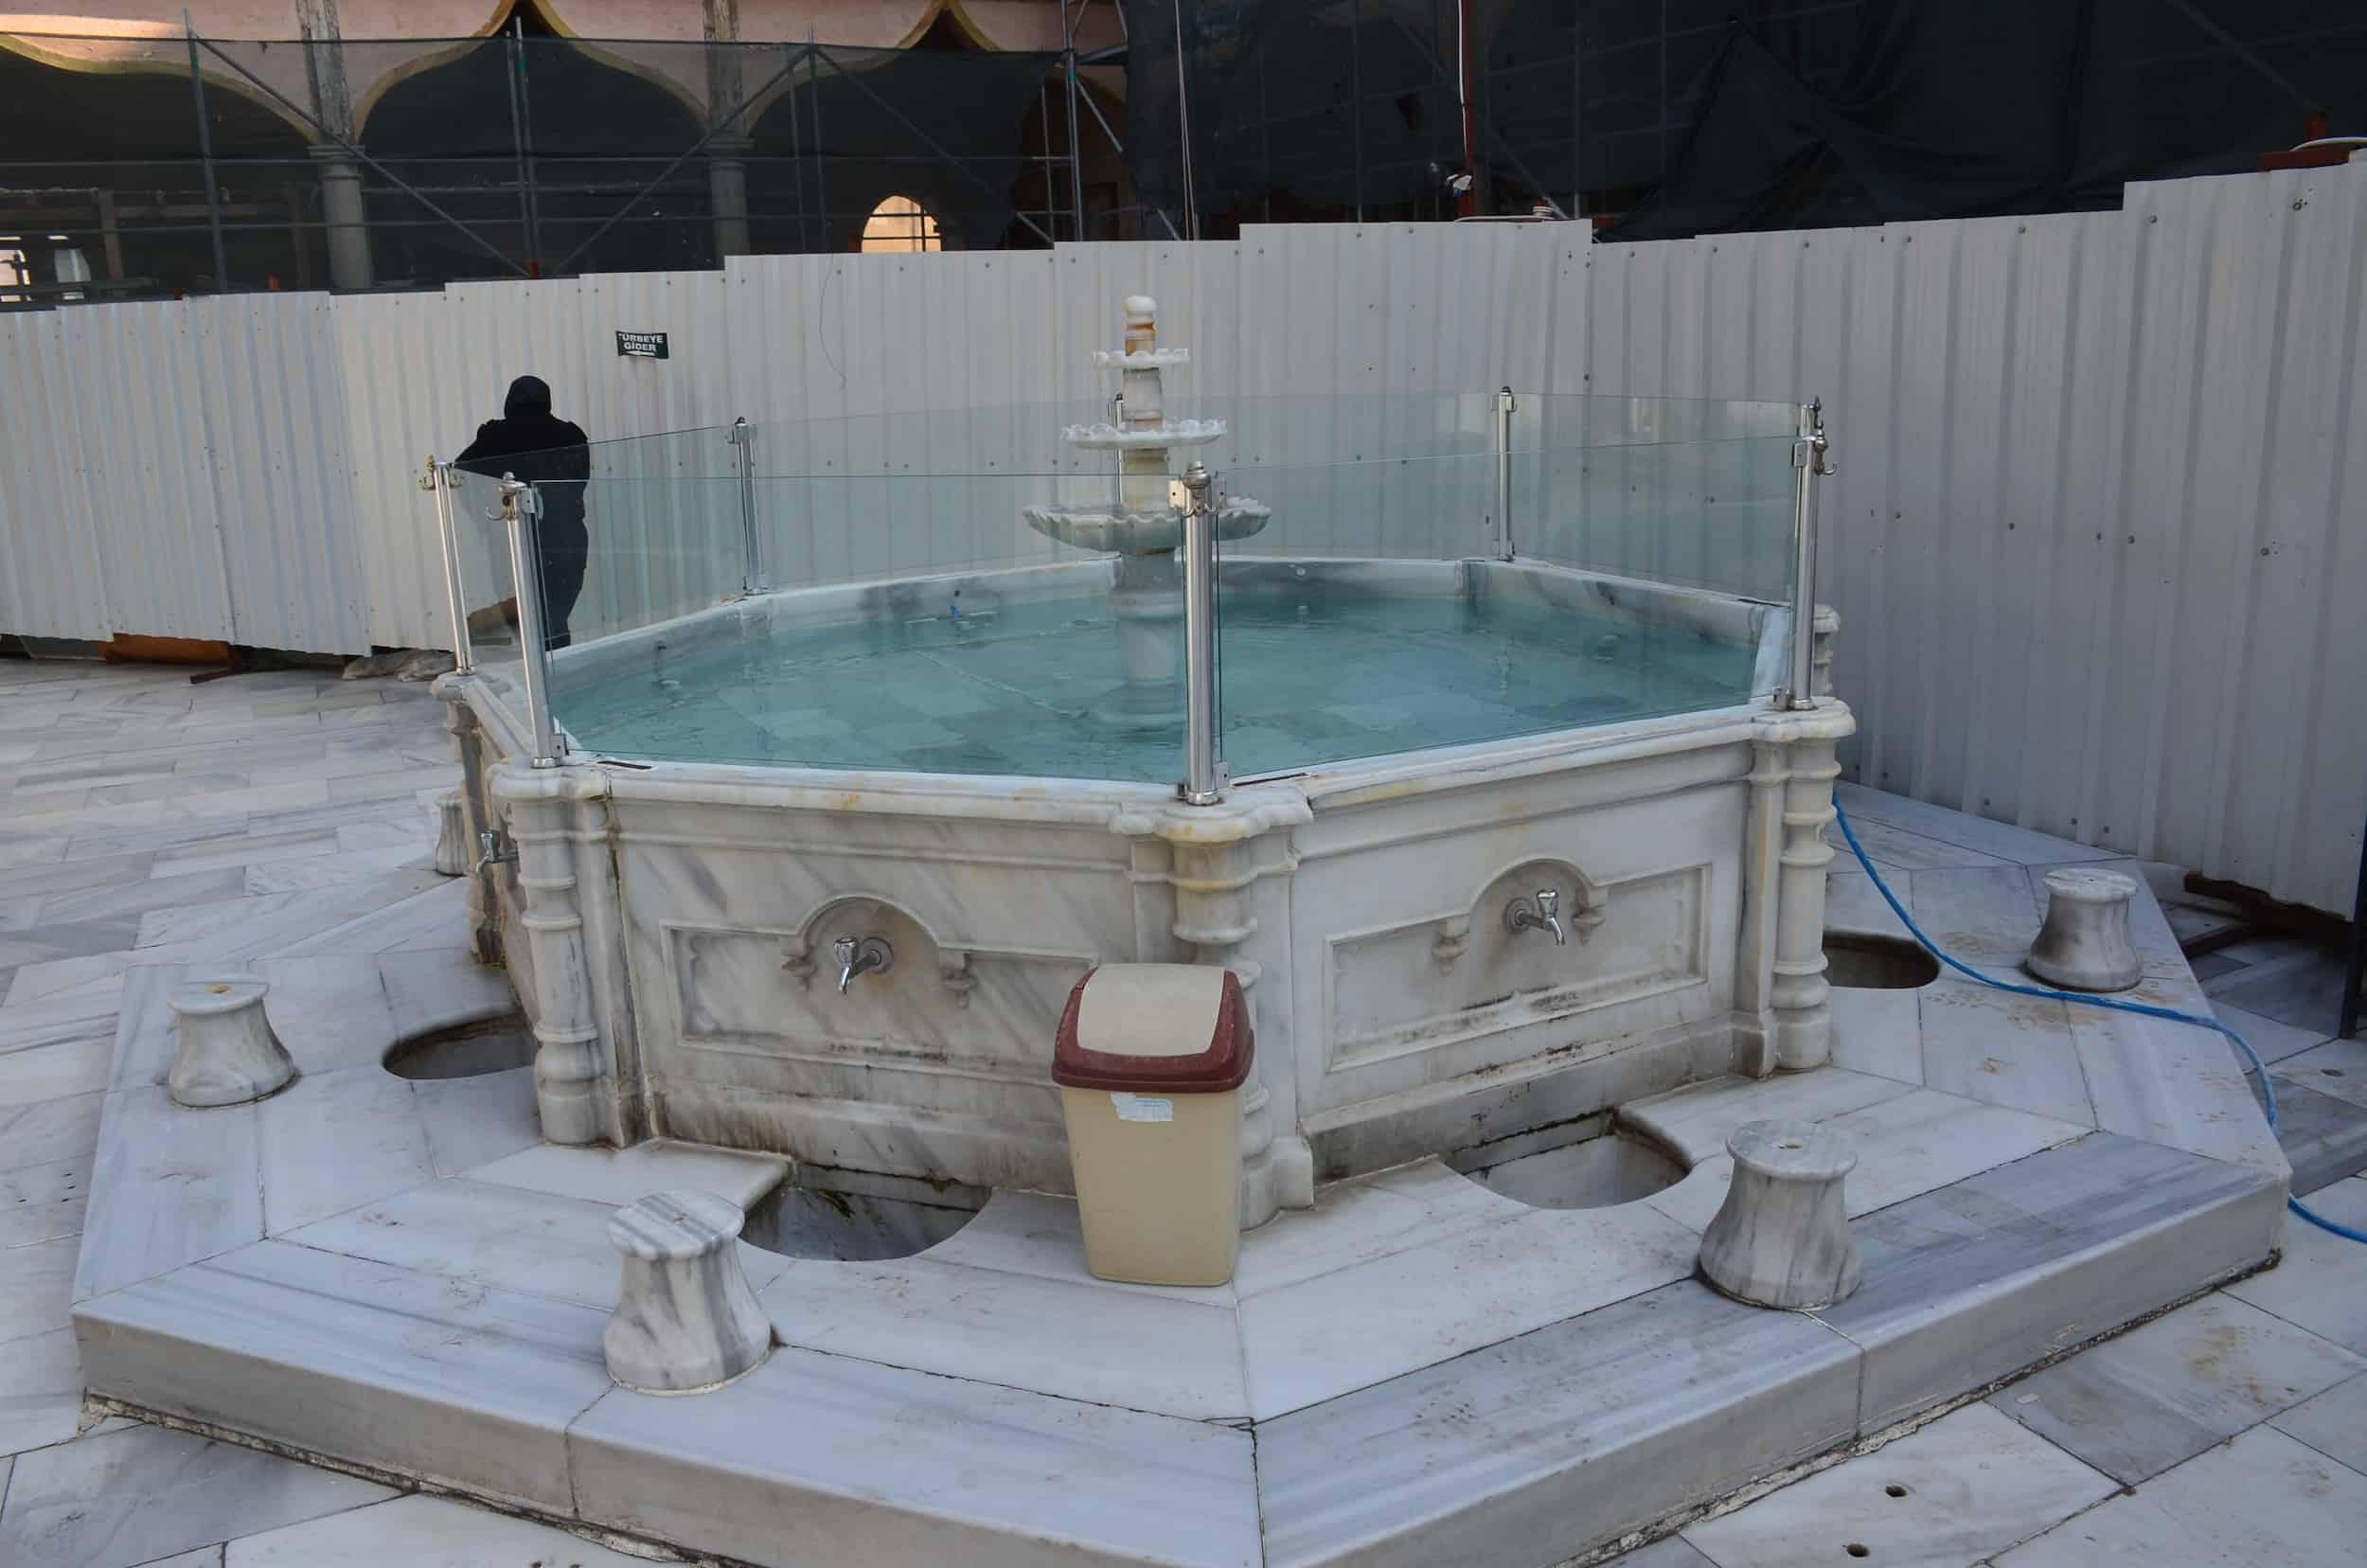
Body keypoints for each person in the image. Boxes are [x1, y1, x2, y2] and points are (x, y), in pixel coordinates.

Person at [455, 375, 591, 650]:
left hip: (512, 535)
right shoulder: (571, 435)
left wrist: (486, 519)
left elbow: (461, 475)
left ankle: (536, 676)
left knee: (525, 610)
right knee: (555, 614)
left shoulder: (495, 437)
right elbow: (579, 485)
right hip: (564, 538)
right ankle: (557, 672)